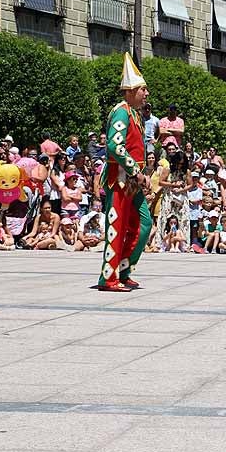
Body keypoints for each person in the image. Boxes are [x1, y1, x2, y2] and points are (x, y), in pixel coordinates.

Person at [98, 54, 153, 292]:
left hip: (131, 180)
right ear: (130, 91)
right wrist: (136, 172)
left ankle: (124, 268)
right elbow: (115, 146)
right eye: (143, 89)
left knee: (143, 223)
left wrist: (143, 173)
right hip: (119, 180)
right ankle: (109, 278)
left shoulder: (134, 113)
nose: (146, 93)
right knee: (117, 226)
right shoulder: (121, 111)